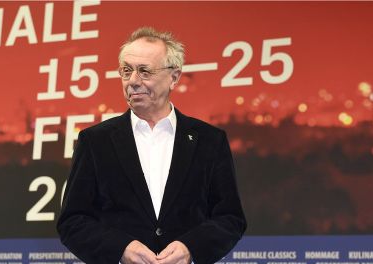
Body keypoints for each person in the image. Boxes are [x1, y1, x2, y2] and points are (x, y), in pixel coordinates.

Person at [57, 27, 246, 264]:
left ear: (174, 77)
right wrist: (120, 249)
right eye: (126, 71)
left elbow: (230, 218)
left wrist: (191, 248)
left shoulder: (210, 140)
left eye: (144, 71)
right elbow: (72, 222)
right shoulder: (95, 141)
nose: (133, 81)